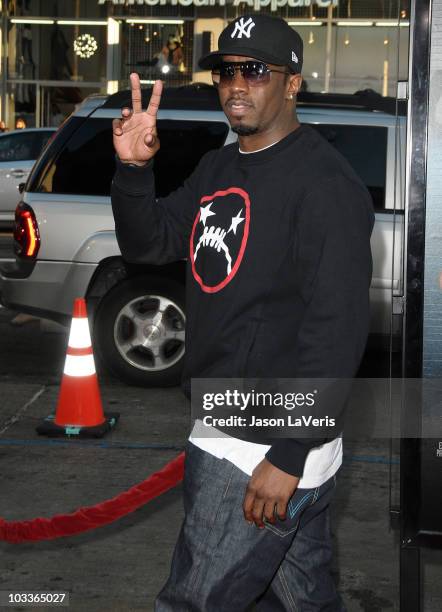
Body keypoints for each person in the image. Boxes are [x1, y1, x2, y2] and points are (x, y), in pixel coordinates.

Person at [111, 14, 374, 611]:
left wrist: (285, 455)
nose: (237, 84)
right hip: (231, 424)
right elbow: (149, 244)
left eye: (256, 71)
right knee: (301, 601)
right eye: (226, 71)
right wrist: (133, 170)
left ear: (292, 84)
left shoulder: (324, 185)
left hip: (257, 445)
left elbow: (335, 331)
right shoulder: (220, 166)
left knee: (192, 601)